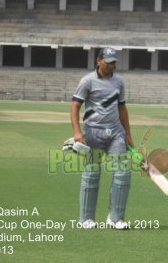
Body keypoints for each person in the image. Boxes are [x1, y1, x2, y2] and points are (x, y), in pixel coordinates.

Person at [70, 47, 134, 230]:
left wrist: (128, 134)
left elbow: (122, 108)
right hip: (93, 132)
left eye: (114, 62)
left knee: (122, 172)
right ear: (99, 61)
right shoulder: (87, 81)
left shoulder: (119, 82)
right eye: (109, 61)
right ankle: (86, 219)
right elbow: (75, 107)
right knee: (92, 175)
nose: (112, 65)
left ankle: (115, 219)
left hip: (115, 133)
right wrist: (77, 132)